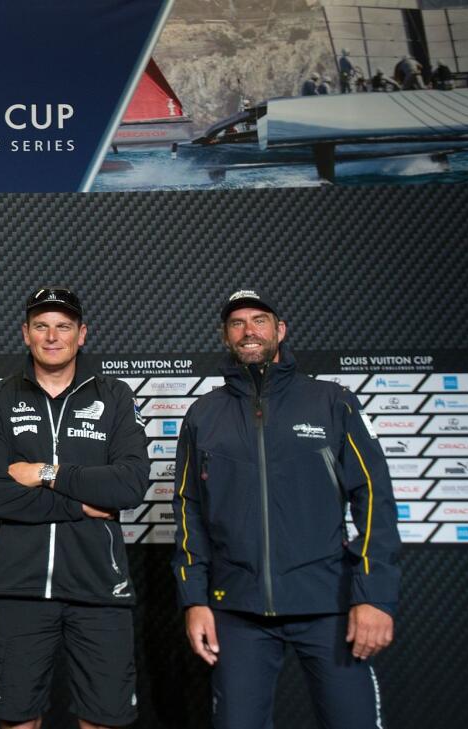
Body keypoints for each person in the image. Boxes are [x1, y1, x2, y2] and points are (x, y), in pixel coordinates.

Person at [171, 290, 401, 729]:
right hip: (238, 612)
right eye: (237, 323)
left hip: (328, 606)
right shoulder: (204, 415)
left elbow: (374, 498)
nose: (249, 330)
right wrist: (194, 599)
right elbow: (189, 514)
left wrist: (375, 597)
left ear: (280, 330)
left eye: (260, 320)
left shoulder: (332, 402)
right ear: (225, 337)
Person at [0, 287, 150, 729]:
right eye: (42, 326)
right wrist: (79, 506)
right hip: (18, 588)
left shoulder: (115, 396)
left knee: (104, 720)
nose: (53, 336)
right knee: (17, 719)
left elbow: (128, 485)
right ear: (26, 333)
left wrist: (46, 473)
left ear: (82, 334)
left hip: (99, 587)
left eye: (63, 327)